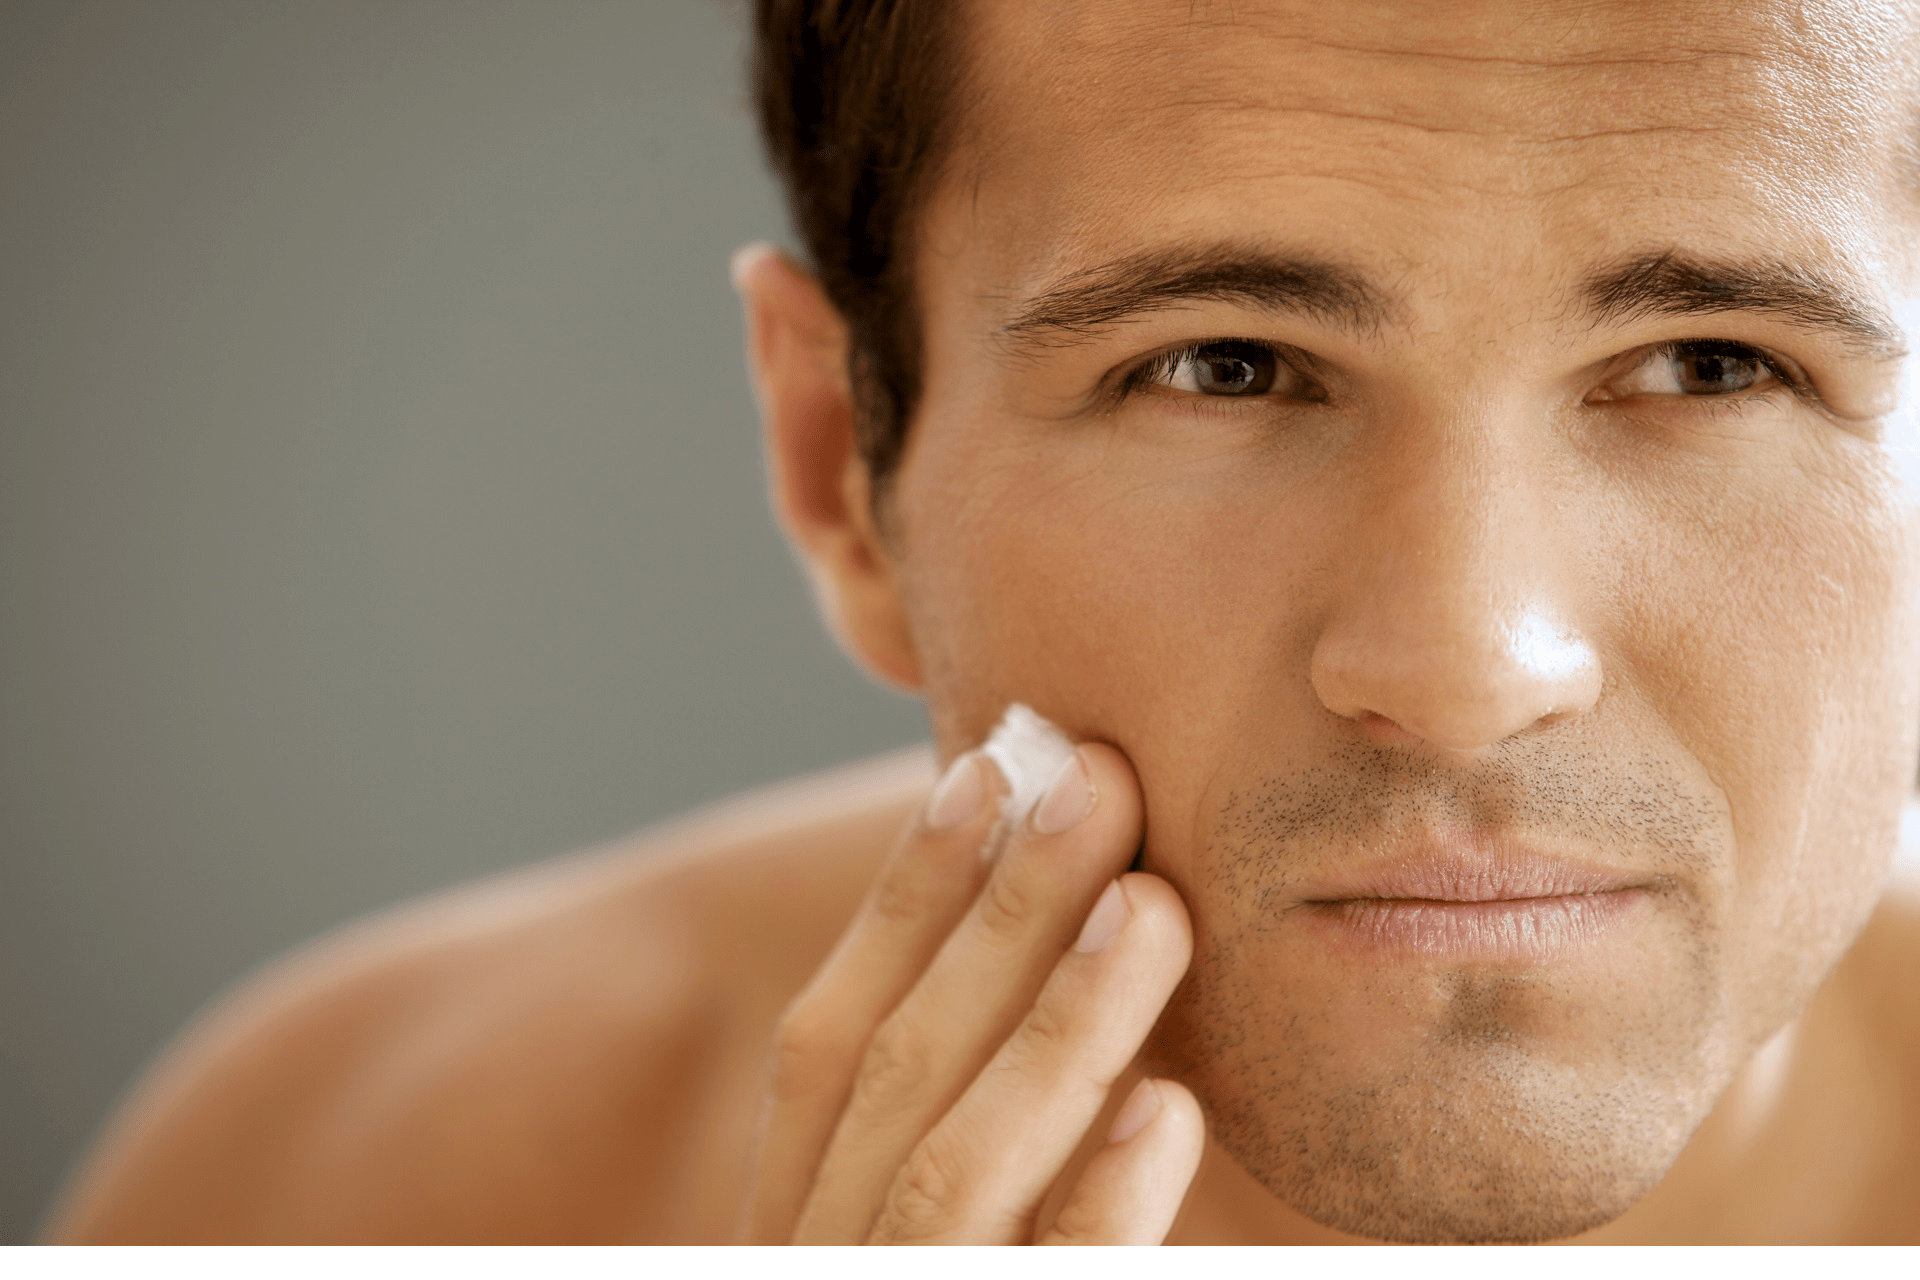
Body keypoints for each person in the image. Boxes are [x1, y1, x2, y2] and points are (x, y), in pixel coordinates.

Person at [47, 0, 1920, 1243]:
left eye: (1712, 363)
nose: (1466, 669)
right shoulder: (358, 1177)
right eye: (1225, 364)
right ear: (836, 470)